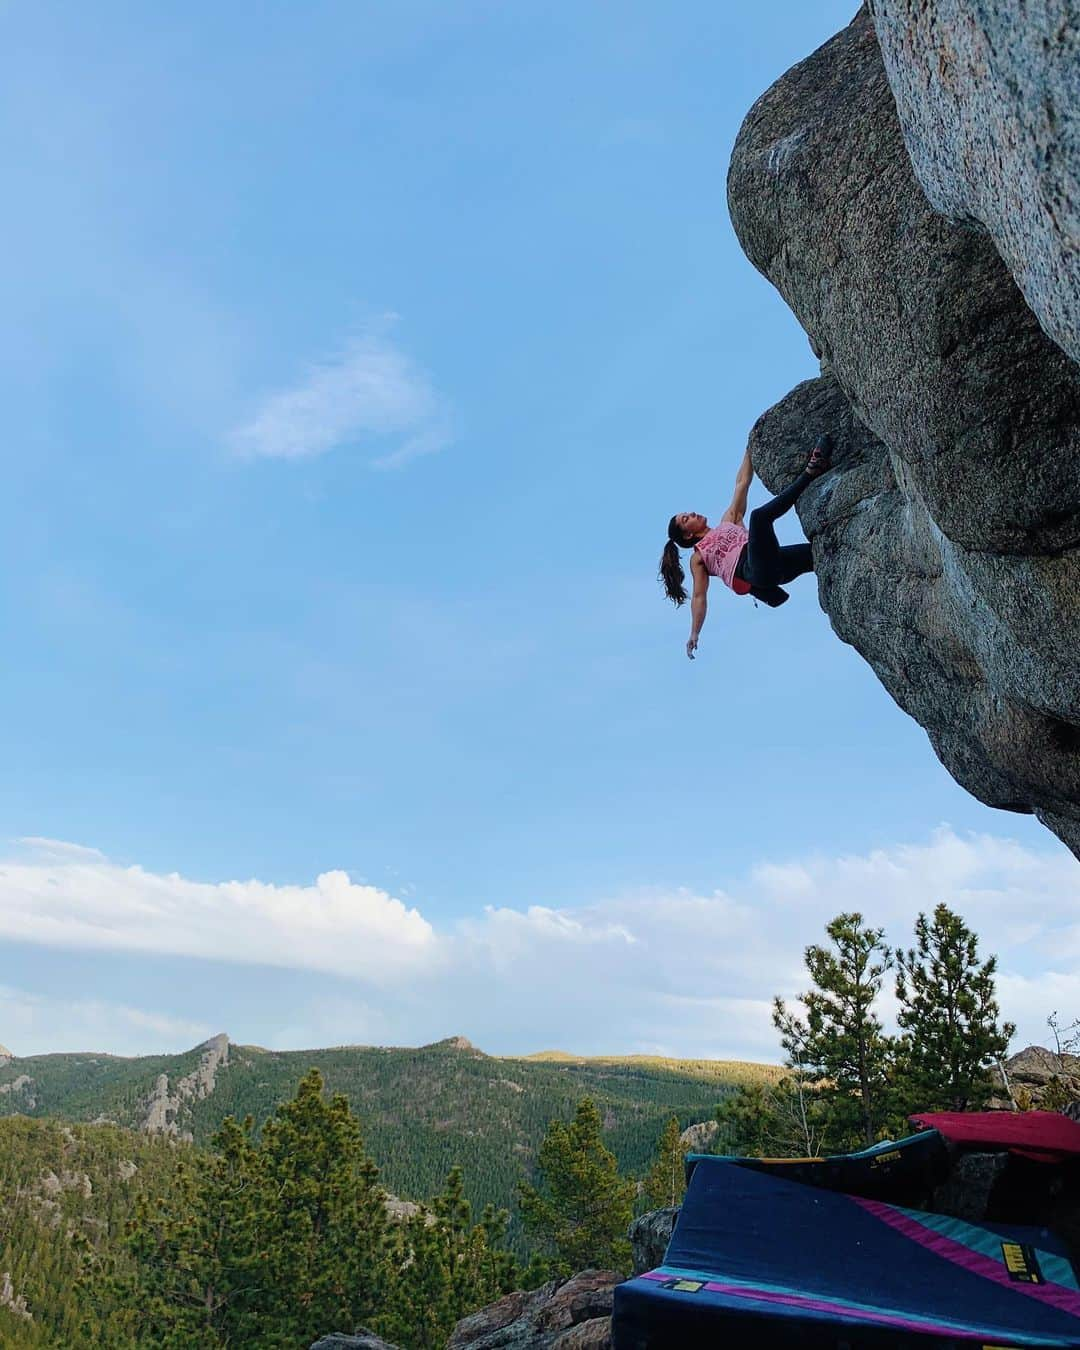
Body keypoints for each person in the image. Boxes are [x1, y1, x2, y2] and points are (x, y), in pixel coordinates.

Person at [659, 434, 833, 659]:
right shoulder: (698, 556)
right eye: (686, 519)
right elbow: (699, 596)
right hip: (753, 571)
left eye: (687, 513)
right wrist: (694, 633)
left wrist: (751, 446)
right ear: (689, 534)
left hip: (776, 564)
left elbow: (742, 482)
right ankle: (811, 472)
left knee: (822, 552)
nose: (691, 513)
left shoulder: (729, 519)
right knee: (759, 517)